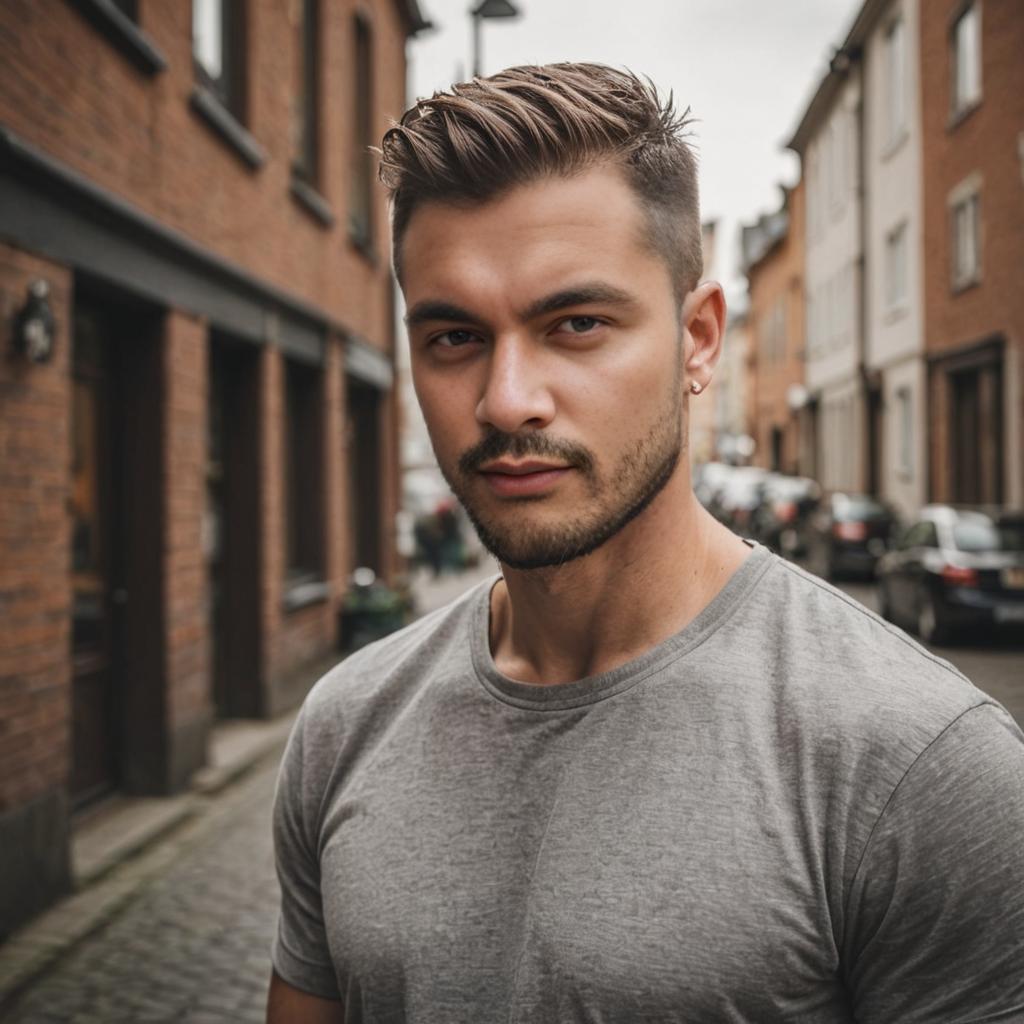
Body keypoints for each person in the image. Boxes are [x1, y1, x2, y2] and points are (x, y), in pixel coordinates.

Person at [267, 64, 1024, 1023]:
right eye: (454, 337)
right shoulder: (345, 723)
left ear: (698, 339)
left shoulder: (918, 764)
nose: (506, 400)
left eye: (575, 324)